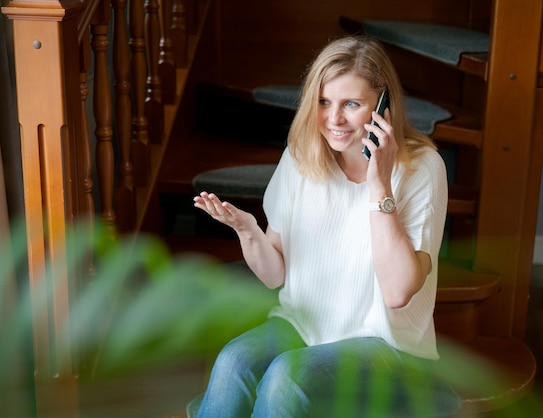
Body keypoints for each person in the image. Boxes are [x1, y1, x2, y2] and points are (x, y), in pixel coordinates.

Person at [192, 35, 453, 417]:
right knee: (233, 362)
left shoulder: (423, 168)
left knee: (287, 377)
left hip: (387, 345)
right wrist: (248, 230)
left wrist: (378, 183)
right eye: (324, 102)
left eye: (351, 104)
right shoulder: (301, 158)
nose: (334, 119)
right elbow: (273, 275)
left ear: (383, 106)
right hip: (304, 325)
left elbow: (398, 291)